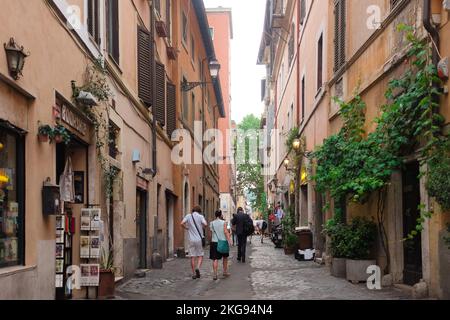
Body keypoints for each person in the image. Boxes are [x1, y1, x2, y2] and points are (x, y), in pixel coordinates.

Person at [181, 205, 208, 279]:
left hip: (191, 239)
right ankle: (198, 268)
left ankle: (193, 273)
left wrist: (187, 228)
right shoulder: (200, 216)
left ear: (193, 210)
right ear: (199, 211)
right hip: (199, 239)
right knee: (200, 255)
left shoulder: (188, 216)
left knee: (192, 256)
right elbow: (205, 224)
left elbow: (181, 223)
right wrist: (201, 228)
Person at [209, 210, 232, 280]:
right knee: (225, 257)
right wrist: (229, 240)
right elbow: (225, 232)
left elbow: (211, 234)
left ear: (215, 215)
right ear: (221, 215)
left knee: (215, 259)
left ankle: (215, 274)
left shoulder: (211, 223)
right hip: (223, 242)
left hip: (214, 242)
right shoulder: (224, 222)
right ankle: (225, 272)